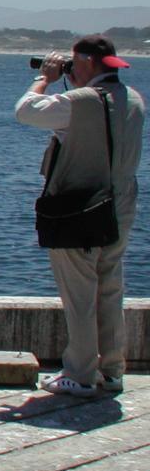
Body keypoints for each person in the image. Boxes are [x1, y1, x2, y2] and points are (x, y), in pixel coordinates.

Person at [15, 35, 144, 397]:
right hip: (121, 206)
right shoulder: (133, 99)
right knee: (110, 289)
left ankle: (80, 374)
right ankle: (113, 370)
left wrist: (45, 77)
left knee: (80, 295)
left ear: (84, 63)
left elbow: (26, 110)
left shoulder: (80, 102)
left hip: (81, 209)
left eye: (73, 64)